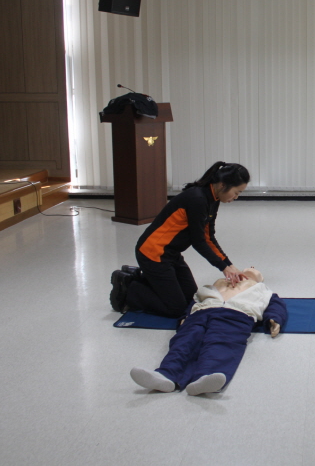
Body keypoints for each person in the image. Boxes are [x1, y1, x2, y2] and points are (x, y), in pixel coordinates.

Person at [110, 162, 250, 318]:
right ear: (223, 185)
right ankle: (129, 287)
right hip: (153, 254)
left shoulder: (213, 198)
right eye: (236, 192)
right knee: (176, 309)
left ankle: (148, 279)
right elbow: (198, 242)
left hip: (171, 254)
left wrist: (229, 264)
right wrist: (223, 267)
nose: (236, 197)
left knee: (191, 299)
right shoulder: (198, 199)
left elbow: (208, 237)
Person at [130, 268, 288, 396]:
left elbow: (277, 306)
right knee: (184, 341)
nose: (250, 268)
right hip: (202, 312)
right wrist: (185, 317)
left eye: (254, 270)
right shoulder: (216, 284)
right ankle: (166, 375)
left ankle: (206, 377)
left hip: (236, 316)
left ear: (260, 279)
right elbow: (195, 300)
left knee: (221, 344)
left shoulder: (264, 290)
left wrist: (274, 320)